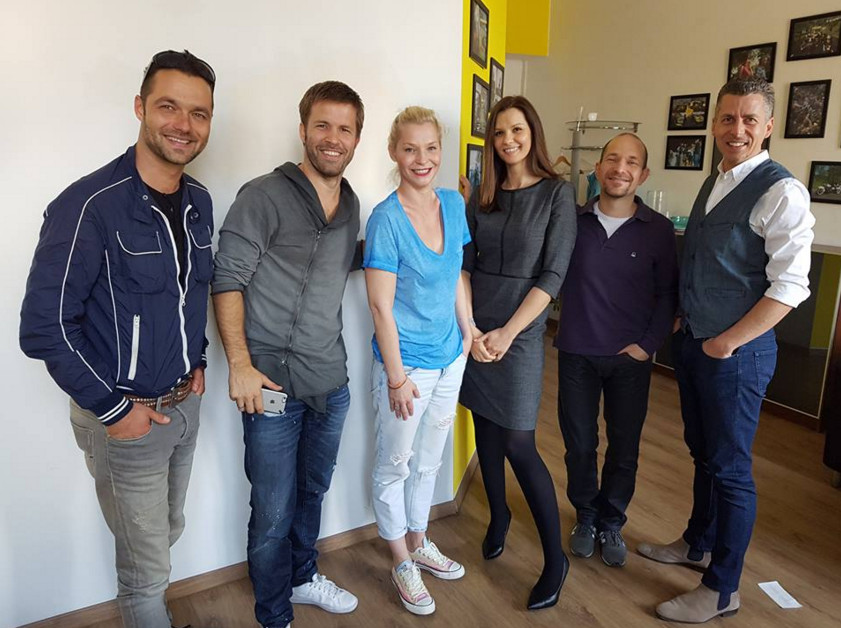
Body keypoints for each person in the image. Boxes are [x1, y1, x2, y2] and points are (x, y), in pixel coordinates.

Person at [19, 50, 216, 628]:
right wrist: (114, 410)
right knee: (145, 570)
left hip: (183, 407)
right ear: (140, 108)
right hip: (126, 420)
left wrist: (199, 359)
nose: (183, 124)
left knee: (165, 533)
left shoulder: (200, 203)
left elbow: (190, 294)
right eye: (168, 107)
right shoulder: (88, 206)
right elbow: (45, 326)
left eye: (199, 113)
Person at [638, 78, 815, 623]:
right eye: (727, 118)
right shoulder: (714, 180)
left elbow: (791, 286)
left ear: (768, 127)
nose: (736, 129)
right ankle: (698, 543)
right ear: (715, 123)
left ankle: (722, 588)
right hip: (696, 342)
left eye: (748, 120)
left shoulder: (782, 192)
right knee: (703, 453)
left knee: (732, 469)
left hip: (736, 354)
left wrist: (729, 341)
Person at [212, 81, 363, 628]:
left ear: (357, 139)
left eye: (345, 129)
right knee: (273, 511)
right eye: (322, 125)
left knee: (313, 492)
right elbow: (226, 280)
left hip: (331, 383)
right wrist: (239, 366)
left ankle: (302, 578)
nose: (333, 138)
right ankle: (274, 615)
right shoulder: (262, 196)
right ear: (303, 130)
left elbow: (339, 265)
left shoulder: (351, 205)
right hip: (270, 387)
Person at [460, 95, 576, 610]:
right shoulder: (483, 194)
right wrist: (471, 329)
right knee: (484, 429)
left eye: (517, 130)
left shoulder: (557, 193)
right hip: (476, 325)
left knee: (518, 441)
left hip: (521, 330)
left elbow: (553, 274)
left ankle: (555, 559)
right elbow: (464, 264)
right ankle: (499, 515)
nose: (508, 140)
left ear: (533, 134)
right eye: (500, 132)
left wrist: (507, 332)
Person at [364, 106, 472, 616]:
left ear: (440, 151)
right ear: (394, 152)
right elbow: (380, 306)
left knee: (430, 460)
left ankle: (419, 538)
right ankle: (400, 559)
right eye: (410, 149)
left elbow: (457, 274)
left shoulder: (453, 203)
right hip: (407, 368)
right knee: (395, 465)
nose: (421, 158)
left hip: (451, 359)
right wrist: (395, 378)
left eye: (430, 148)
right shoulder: (385, 219)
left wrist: (469, 330)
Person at [555, 133, 678, 567]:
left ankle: (612, 520)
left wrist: (647, 347)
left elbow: (668, 295)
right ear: (597, 168)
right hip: (576, 352)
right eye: (612, 159)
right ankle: (586, 515)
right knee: (580, 444)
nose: (619, 168)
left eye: (631, 162)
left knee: (624, 448)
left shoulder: (659, 230)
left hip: (630, 359)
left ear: (643, 174)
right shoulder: (571, 221)